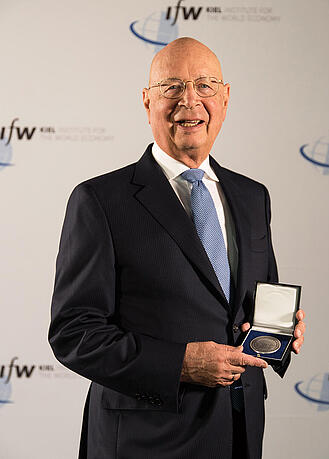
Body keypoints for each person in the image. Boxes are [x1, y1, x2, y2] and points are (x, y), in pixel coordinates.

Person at [49, 37, 305, 459]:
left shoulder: (251, 196)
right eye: (171, 87)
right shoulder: (100, 200)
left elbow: (251, 306)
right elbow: (74, 333)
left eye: (205, 85)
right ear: (147, 101)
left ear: (225, 98)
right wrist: (181, 364)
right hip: (144, 441)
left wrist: (278, 332)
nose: (190, 100)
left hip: (239, 430)